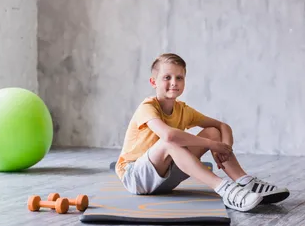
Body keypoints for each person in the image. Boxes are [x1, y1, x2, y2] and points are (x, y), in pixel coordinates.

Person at [115, 53, 290, 212]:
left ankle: (245, 182)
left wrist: (224, 148)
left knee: (212, 131)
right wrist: (213, 145)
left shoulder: (183, 110)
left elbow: (222, 126)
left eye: (179, 77)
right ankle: (225, 189)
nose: (174, 82)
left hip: (165, 179)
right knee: (171, 141)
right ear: (154, 82)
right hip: (135, 178)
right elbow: (169, 136)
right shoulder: (147, 107)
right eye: (167, 77)